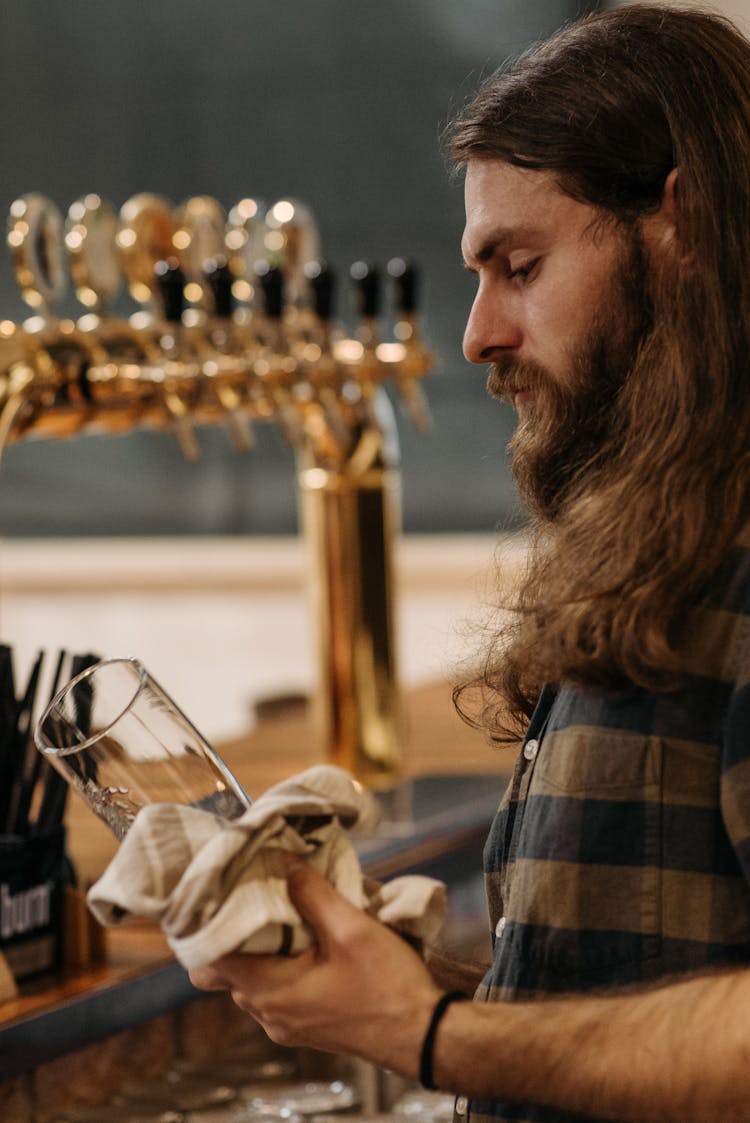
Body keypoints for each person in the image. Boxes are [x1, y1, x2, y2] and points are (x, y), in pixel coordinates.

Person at [190, 5, 750, 1121]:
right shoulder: (669, 541)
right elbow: (646, 995)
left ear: (677, 225)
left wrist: (425, 1030)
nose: (478, 333)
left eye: (521, 266)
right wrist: (397, 988)